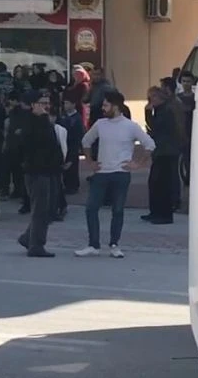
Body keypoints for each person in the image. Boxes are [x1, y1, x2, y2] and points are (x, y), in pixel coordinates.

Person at [76, 90, 154, 258]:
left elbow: (150, 144)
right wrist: (90, 161)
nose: (103, 108)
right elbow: (86, 141)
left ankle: (114, 244)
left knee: (117, 210)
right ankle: (93, 244)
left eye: (106, 105)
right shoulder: (100, 124)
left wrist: (137, 163)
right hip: (102, 172)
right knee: (91, 208)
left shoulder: (130, 126)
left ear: (116, 106)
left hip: (121, 172)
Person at [14, 89, 67, 257]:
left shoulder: (43, 121)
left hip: (50, 170)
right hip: (37, 171)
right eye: (42, 103)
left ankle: (27, 237)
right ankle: (36, 244)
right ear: (32, 105)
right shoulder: (29, 122)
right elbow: (32, 144)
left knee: (50, 208)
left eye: (47, 103)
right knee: (41, 209)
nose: (46, 106)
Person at [143, 85, 186, 225]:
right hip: (162, 150)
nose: (150, 101)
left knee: (163, 183)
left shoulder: (167, 110)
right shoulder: (162, 110)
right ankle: (155, 211)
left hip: (167, 151)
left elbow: (156, 128)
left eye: (152, 98)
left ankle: (164, 214)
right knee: (155, 182)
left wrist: (148, 114)